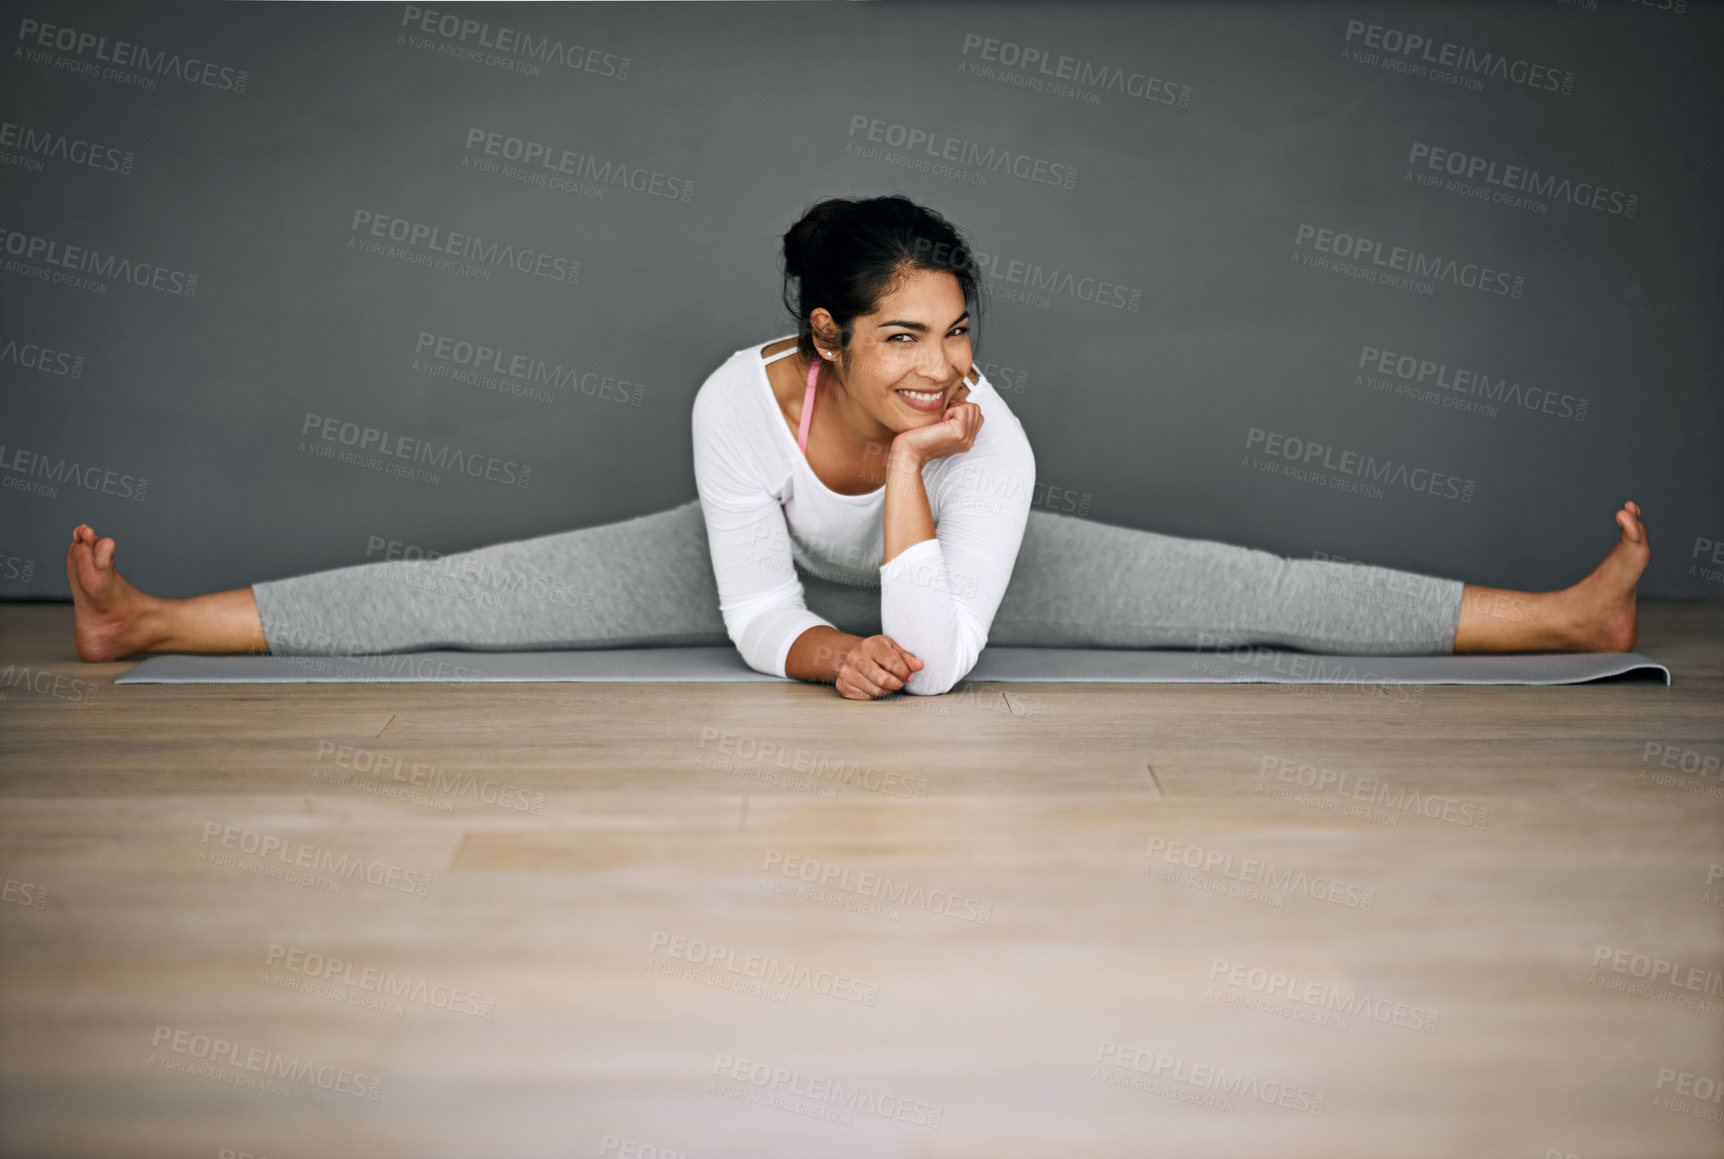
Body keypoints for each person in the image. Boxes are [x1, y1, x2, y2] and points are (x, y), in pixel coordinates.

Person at [64, 195, 1649, 701]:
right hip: (791, 569)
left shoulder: (989, 440)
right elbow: (761, 612)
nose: (942, 365)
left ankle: (1567, 618)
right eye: (902, 337)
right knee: (471, 587)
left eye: (956, 332)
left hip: (956, 569)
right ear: (823, 335)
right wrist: (824, 657)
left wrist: (907, 474)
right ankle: (151, 623)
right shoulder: (730, 401)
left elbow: (945, 657)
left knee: (1256, 586)